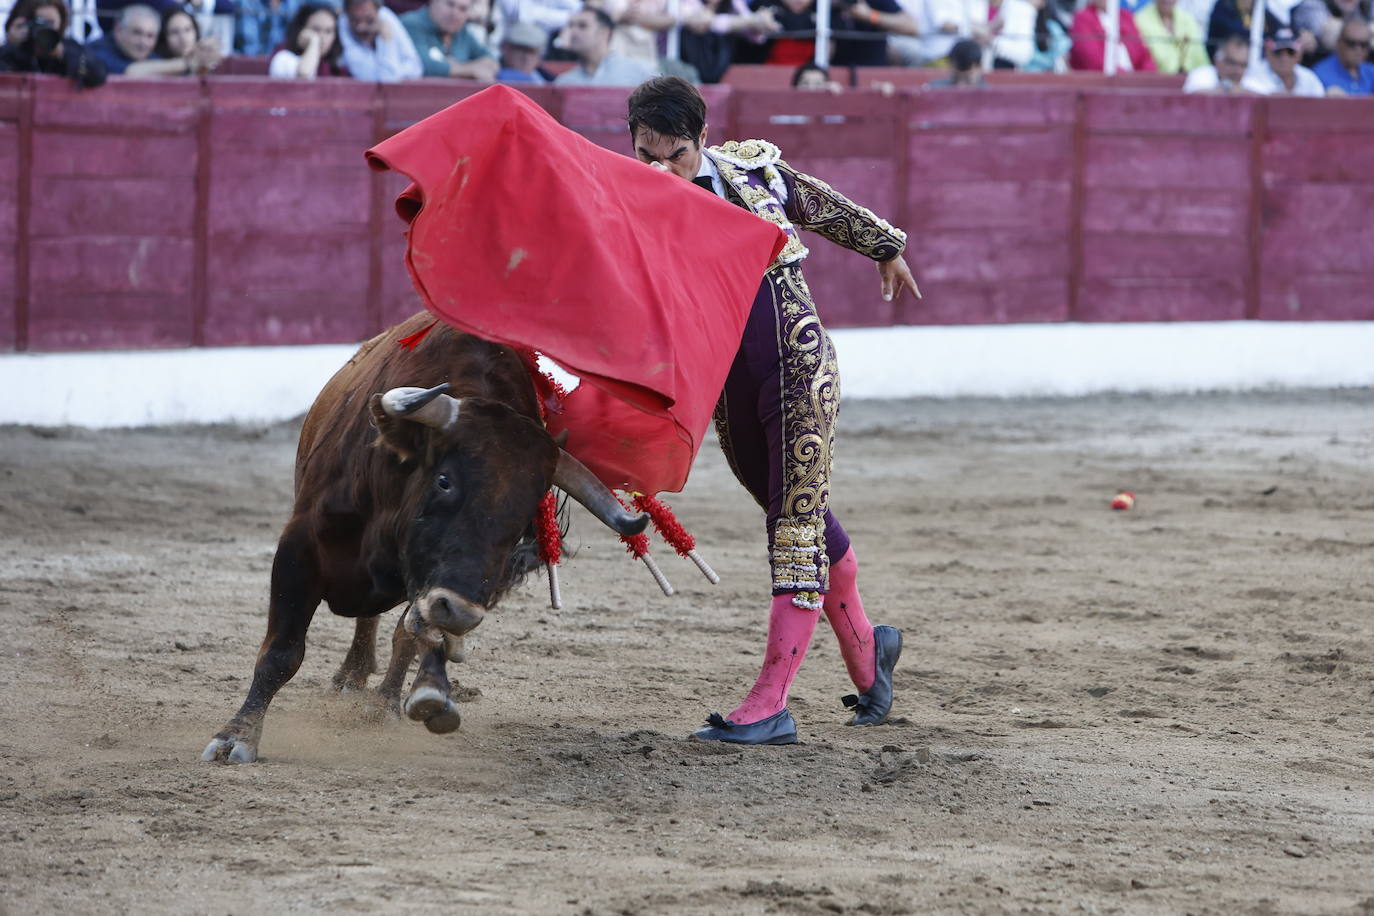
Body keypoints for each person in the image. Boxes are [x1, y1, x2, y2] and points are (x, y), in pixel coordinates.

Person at [625, 76, 918, 746]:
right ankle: (871, 653)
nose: (660, 166)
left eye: (674, 153)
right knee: (794, 510)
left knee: (793, 527)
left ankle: (772, 704)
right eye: (648, 153)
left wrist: (886, 246)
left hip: (798, 365)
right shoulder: (635, 202)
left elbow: (822, 205)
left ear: (700, 140)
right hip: (728, 386)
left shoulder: (750, 173)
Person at [89, 2, 215, 73]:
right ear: (118, 30)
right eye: (137, 33)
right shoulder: (97, 51)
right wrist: (189, 62)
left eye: (150, 36)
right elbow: (130, 73)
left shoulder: (150, 55)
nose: (143, 42)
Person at [0, 0, 106, 84]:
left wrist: (63, 55)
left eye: (50, 22)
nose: (45, 28)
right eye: (40, 22)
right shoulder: (12, 51)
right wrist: (11, 45)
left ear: (61, 22)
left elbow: (98, 74)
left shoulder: (71, 49)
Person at [553, 5, 653, 84]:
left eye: (582, 26)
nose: (573, 31)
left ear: (604, 32)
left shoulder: (638, 74)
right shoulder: (564, 82)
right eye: (571, 26)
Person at [400, 0, 497, 80]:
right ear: (433, 2)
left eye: (462, 9)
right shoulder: (411, 24)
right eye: (450, 4)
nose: (455, 13)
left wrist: (455, 67)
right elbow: (422, 65)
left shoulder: (461, 32)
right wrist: (470, 69)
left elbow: (492, 60)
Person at [339, 0, 422, 80]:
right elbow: (384, 78)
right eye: (355, 20)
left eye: (369, 20)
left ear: (378, 11)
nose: (361, 27)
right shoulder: (342, 23)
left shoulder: (386, 16)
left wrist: (385, 39)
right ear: (347, 14)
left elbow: (415, 68)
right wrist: (386, 41)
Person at [1069, 0, 1157, 70]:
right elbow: (1093, 61)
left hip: (1134, 82)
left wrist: (1149, 77)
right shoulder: (1082, 19)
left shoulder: (1126, 16)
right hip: (1103, 84)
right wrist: (1129, 78)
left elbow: (1143, 56)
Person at [268, 2, 346, 75]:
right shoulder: (283, 56)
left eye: (328, 31)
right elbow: (304, 74)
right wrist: (313, 42)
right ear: (301, 29)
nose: (322, 37)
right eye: (316, 29)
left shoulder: (336, 64)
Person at [1241, 25, 1325, 92]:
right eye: (1278, 52)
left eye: (1290, 52)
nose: (1284, 58)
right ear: (1267, 52)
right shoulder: (1254, 74)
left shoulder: (1309, 78)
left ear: (1300, 54)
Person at [1135, 0, 1209, 73]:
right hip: (1157, 81)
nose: (1167, 0)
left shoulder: (1188, 19)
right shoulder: (1139, 20)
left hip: (1193, 81)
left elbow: (1201, 59)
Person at [1311, 15, 1373, 93]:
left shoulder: (1371, 72)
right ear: (1339, 43)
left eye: (1364, 44)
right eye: (1351, 43)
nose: (1358, 49)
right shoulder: (1318, 75)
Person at [155, 5, 223, 71]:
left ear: (196, 31)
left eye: (187, 29)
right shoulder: (155, 60)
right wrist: (189, 62)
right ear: (164, 37)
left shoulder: (207, 60)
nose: (183, 38)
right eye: (175, 32)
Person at [1182, 30, 1253, 89]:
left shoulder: (1251, 80)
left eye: (1243, 65)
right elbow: (1193, 96)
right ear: (1217, 60)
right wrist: (1229, 88)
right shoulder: (1201, 74)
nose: (1237, 70)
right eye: (1231, 63)